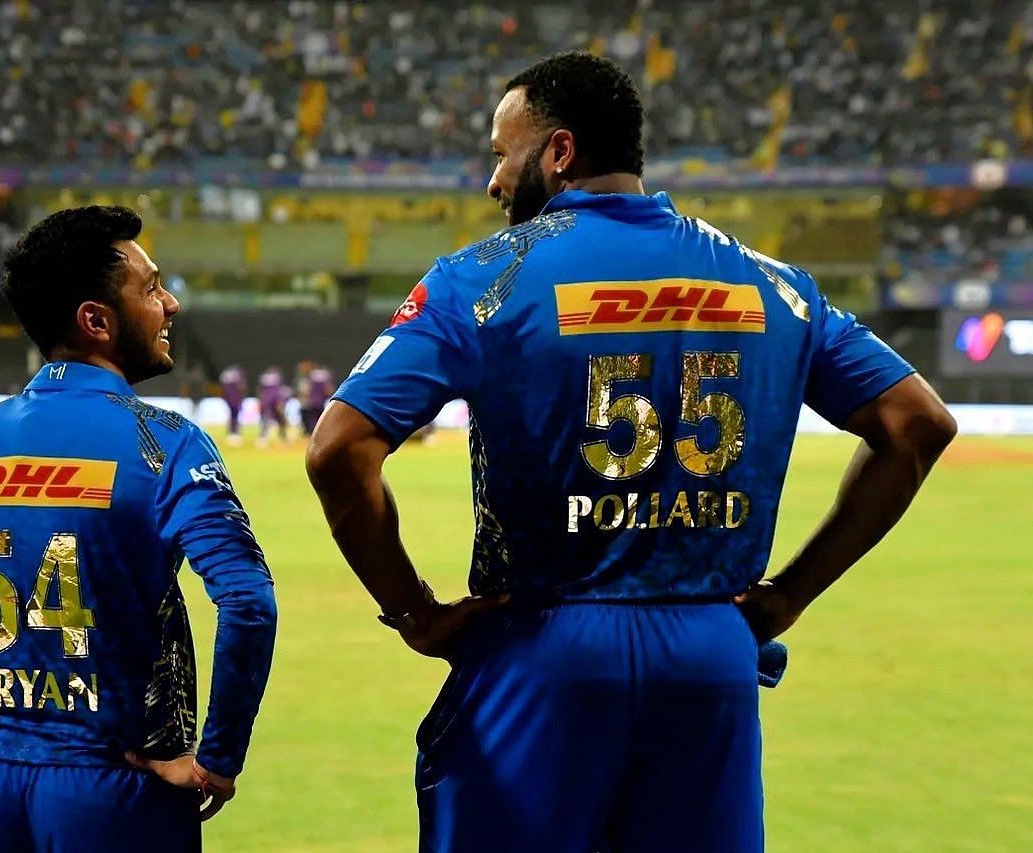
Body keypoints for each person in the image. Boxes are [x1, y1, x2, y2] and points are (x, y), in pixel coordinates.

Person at [306, 52, 955, 853]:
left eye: (502, 154)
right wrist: (787, 596)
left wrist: (416, 612)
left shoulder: (482, 278)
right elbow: (917, 423)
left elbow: (339, 448)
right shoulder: (773, 284)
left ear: (559, 152)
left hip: (541, 648)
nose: (493, 182)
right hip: (711, 654)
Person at [0, 206, 278, 853]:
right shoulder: (167, 443)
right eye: (151, 289)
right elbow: (248, 600)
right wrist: (217, 755)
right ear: (96, 320)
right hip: (119, 790)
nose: (170, 304)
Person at [256, 364, 288, 446]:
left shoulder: (264, 377)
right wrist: (281, 401)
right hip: (274, 400)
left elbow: (260, 390)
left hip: (267, 400)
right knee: (278, 419)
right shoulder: (277, 377)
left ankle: (264, 437)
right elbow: (280, 389)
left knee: (266, 419)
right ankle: (281, 436)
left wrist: (261, 400)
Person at [219, 364, 248, 445]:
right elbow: (242, 388)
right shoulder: (238, 377)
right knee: (234, 416)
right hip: (234, 400)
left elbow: (222, 389)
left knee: (233, 416)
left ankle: (232, 433)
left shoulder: (226, 376)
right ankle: (234, 433)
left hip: (230, 399)